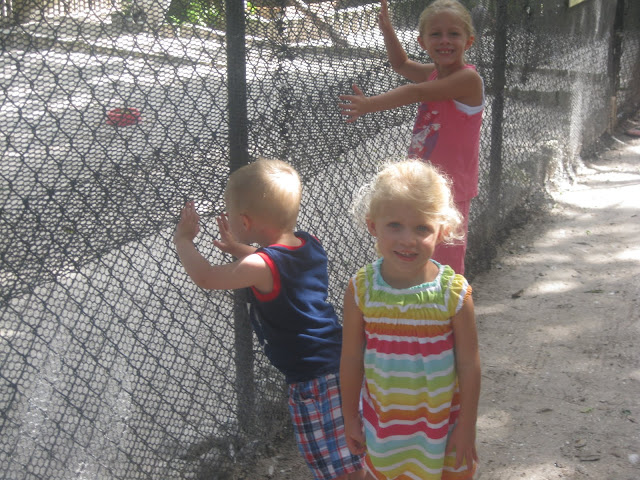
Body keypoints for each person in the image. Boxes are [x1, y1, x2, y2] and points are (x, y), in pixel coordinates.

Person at [173, 158, 365, 480]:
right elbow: (279, 264)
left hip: (314, 381)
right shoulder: (309, 243)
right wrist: (240, 248)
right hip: (338, 362)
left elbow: (206, 277)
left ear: (245, 221)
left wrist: (183, 241)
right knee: (353, 455)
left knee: (340, 467)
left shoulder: (262, 265)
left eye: (230, 212)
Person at [339, 159, 481, 480]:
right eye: (395, 225)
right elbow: (350, 358)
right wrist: (350, 418)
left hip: (442, 429)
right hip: (385, 430)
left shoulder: (454, 293)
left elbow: (469, 364)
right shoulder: (361, 290)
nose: (408, 239)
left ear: (441, 231)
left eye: (422, 228)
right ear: (373, 226)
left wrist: (467, 426)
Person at [339, 0, 484, 274]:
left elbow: (415, 92)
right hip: (421, 185)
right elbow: (401, 64)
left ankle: (452, 302)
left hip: (453, 189)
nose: (444, 40)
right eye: (435, 34)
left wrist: (369, 104)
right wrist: (387, 30)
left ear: (469, 41)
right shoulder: (433, 73)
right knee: (418, 256)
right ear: (422, 41)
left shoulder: (468, 80)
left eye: (453, 34)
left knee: (446, 261)